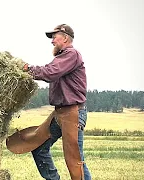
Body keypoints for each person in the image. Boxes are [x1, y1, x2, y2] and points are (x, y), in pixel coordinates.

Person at [20, 24, 91, 180]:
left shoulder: (71, 54)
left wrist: (28, 68)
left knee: (75, 161)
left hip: (73, 113)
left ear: (65, 38)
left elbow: (50, 72)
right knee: (38, 147)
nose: (52, 41)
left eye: (54, 37)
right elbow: (50, 70)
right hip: (60, 113)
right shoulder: (61, 58)